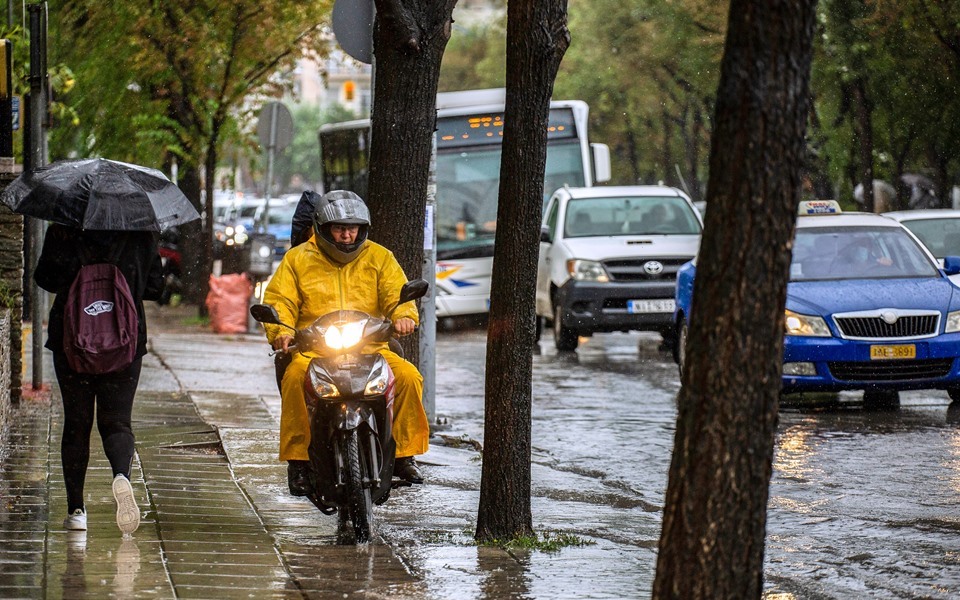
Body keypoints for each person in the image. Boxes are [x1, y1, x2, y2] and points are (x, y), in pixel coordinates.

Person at [262, 190, 430, 494]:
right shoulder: (297, 259)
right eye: (339, 228)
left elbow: (397, 294)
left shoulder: (380, 257)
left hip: (371, 348)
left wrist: (404, 316)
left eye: (352, 228)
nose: (347, 235)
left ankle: (404, 455)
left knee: (408, 376)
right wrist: (281, 331)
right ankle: (298, 461)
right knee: (294, 378)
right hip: (314, 351)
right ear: (322, 228)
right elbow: (280, 300)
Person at [35, 224, 164, 534]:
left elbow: (45, 278)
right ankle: (121, 475)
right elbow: (155, 288)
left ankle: (77, 511)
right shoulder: (140, 231)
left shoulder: (64, 228)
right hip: (124, 341)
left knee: (76, 424)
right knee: (118, 422)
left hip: (72, 340)